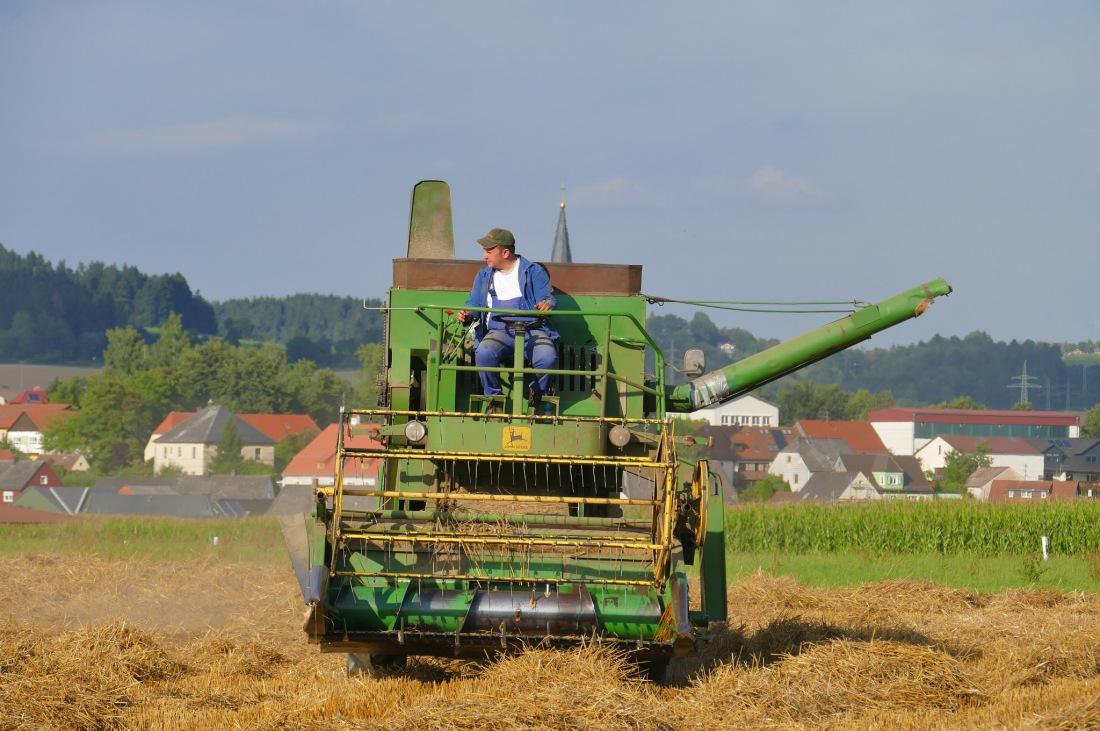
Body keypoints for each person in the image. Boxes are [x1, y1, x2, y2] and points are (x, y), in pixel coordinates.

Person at [456, 228, 559, 403]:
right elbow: (474, 303)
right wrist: (468, 314)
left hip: (532, 331)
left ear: (505, 252)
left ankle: (538, 393)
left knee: (548, 358)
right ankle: (495, 399)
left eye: (489, 251)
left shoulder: (534, 271)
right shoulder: (484, 275)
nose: (484, 256)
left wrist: (546, 305)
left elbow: (548, 299)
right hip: (498, 332)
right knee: (484, 352)